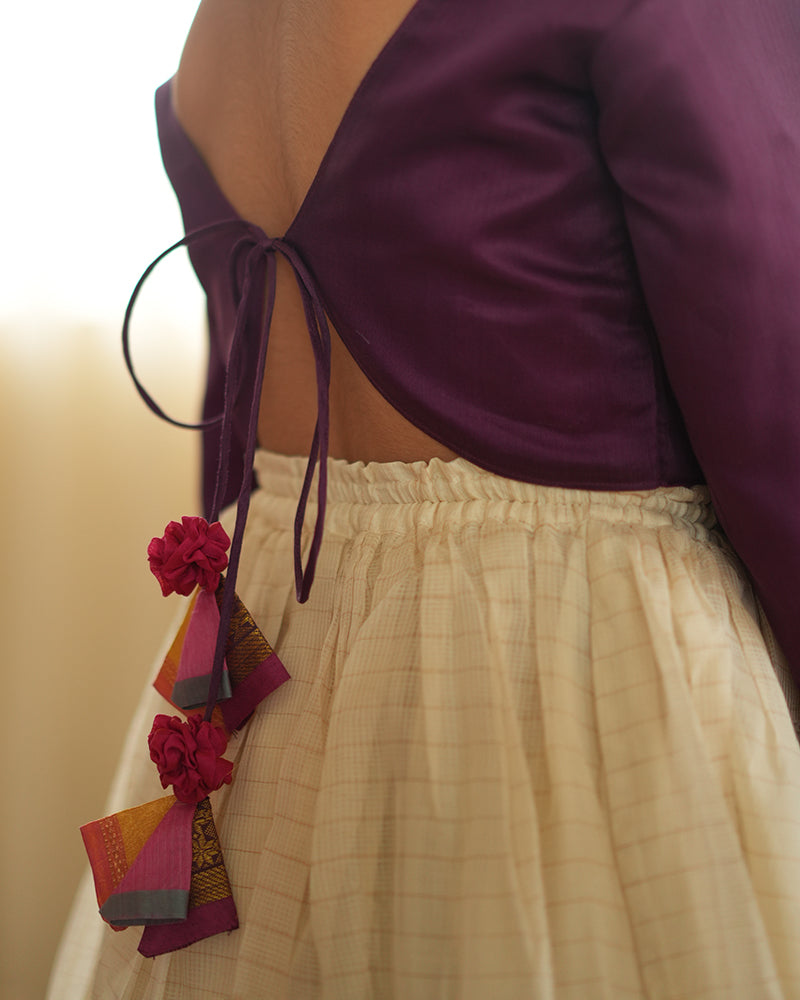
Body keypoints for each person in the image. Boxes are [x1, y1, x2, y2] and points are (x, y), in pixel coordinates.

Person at [50, 0, 800, 996]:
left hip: (278, 665)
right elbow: (770, 403)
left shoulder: (220, 28)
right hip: (570, 669)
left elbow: (234, 447)